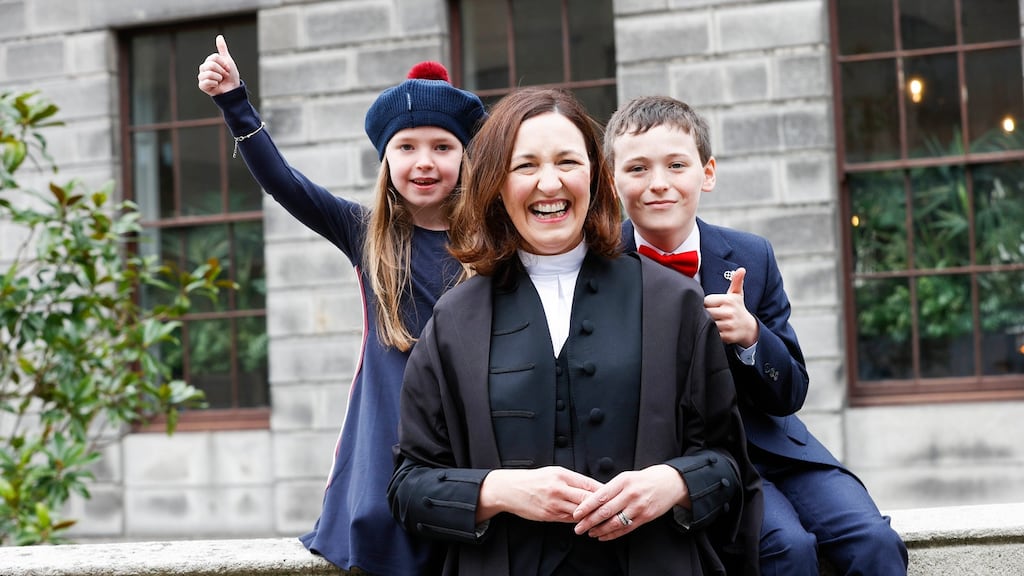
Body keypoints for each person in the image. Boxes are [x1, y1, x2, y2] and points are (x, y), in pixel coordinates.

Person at [386, 87, 762, 575]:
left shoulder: (674, 303)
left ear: (596, 177)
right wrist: (500, 490)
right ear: (496, 185)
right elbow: (408, 487)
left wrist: (673, 483)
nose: (549, 183)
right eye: (525, 167)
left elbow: (730, 464)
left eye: (568, 161)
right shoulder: (456, 321)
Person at [198, 35, 487, 575]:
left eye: (442, 147)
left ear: (466, 158)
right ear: (386, 160)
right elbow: (284, 183)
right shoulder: (365, 233)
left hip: (474, 427)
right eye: (406, 147)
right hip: (388, 431)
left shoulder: (495, 241)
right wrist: (235, 101)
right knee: (384, 527)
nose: (424, 162)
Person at [605, 95, 908, 576]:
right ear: (612, 179)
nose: (658, 184)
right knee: (787, 550)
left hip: (778, 448)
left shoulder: (751, 254)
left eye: (676, 165)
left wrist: (751, 338)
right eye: (638, 168)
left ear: (707, 173)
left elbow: (792, 391)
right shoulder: (602, 264)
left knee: (874, 541)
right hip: (697, 464)